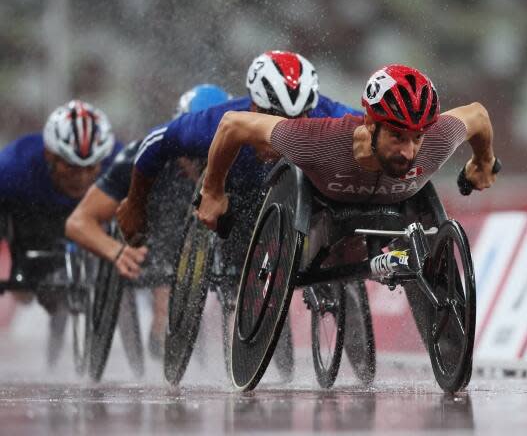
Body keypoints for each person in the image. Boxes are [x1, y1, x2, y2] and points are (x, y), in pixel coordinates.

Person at [116, 50, 362, 381]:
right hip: (240, 203)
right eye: (273, 118)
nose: (282, 132)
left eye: (297, 121)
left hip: (307, 198)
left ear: (311, 109)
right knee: (232, 234)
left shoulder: (331, 115)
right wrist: (134, 204)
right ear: (253, 107)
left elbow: (381, 136)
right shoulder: (219, 120)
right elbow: (154, 145)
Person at [186, 64, 498, 232]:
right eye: (397, 137)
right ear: (370, 124)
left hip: (400, 208)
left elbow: (478, 115)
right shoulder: (317, 140)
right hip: (325, 210)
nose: (408, 151)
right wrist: (213, 189)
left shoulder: (439, 139)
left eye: (418, 137)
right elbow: (233, 124)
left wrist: (483, 163)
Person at [65, 84, 231, 358]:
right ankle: (162, 325)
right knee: (165, 281)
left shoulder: (243, 155)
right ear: (180, 139)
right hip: (153, 239)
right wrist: (115, 251)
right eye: (195, 155)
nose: (203, 166)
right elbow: (78, 222)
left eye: (212, 155)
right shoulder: (142, 156)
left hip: (216, 234)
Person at [0, 99, 122, 363]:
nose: (80, 177)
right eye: (71, 166)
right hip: (34, 214)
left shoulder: (120, 161)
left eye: (90, 168)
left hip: (94, 216)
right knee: (29, 294)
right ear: (49, 156)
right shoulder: (13, 166)